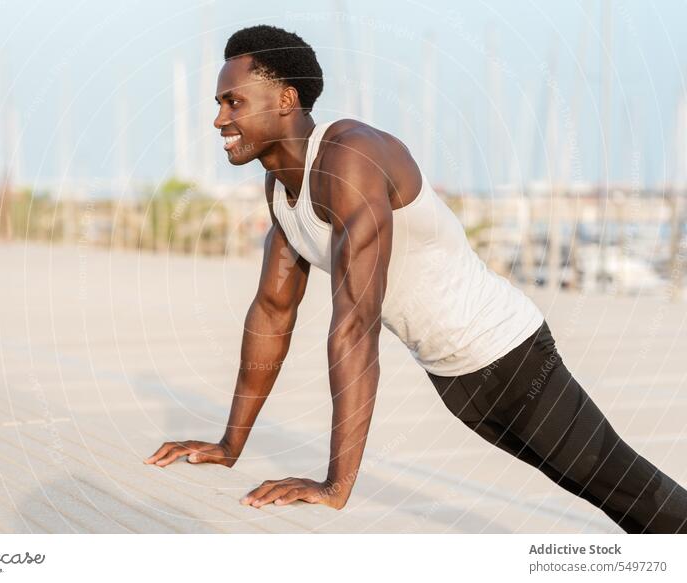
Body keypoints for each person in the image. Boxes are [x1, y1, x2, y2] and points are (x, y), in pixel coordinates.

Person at [145, 24, 687, 533]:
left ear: (285, 100)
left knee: (634, 495)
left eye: (232, 101)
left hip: (512, 358)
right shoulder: (283, 191)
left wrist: (337, 484)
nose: (219, 119)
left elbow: (355, 323)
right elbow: (271, 313)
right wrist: (230, 443)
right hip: (457, 382)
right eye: (218, 104)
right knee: (609, 498)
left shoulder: (352, 155)